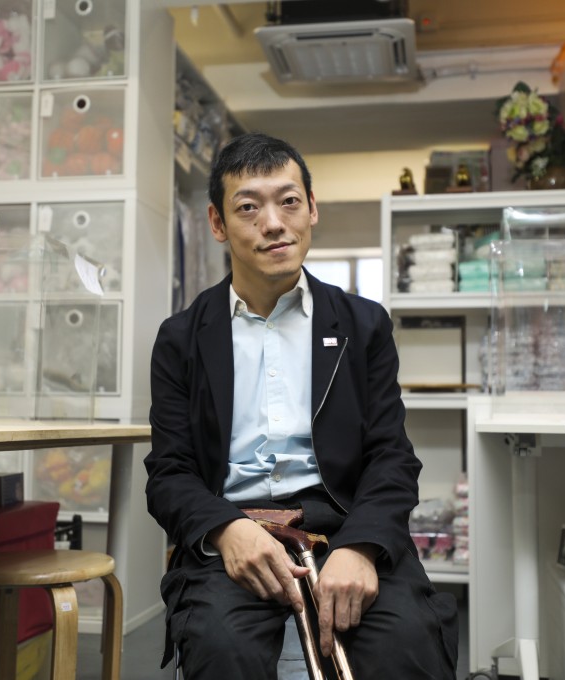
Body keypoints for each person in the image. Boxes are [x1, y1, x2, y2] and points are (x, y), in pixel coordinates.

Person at [145, 132, 458, 679]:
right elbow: (169, 474)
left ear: (312, 210)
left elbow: (391, 458)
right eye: (248, 207)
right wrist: (225, 529)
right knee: (222, 650)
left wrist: (360, 547)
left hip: (343, 524)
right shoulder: (182, 338)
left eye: (289, 201)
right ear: (218, 224)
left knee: (405, 643)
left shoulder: (363, 327)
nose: (273, 223)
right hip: (235, 534)